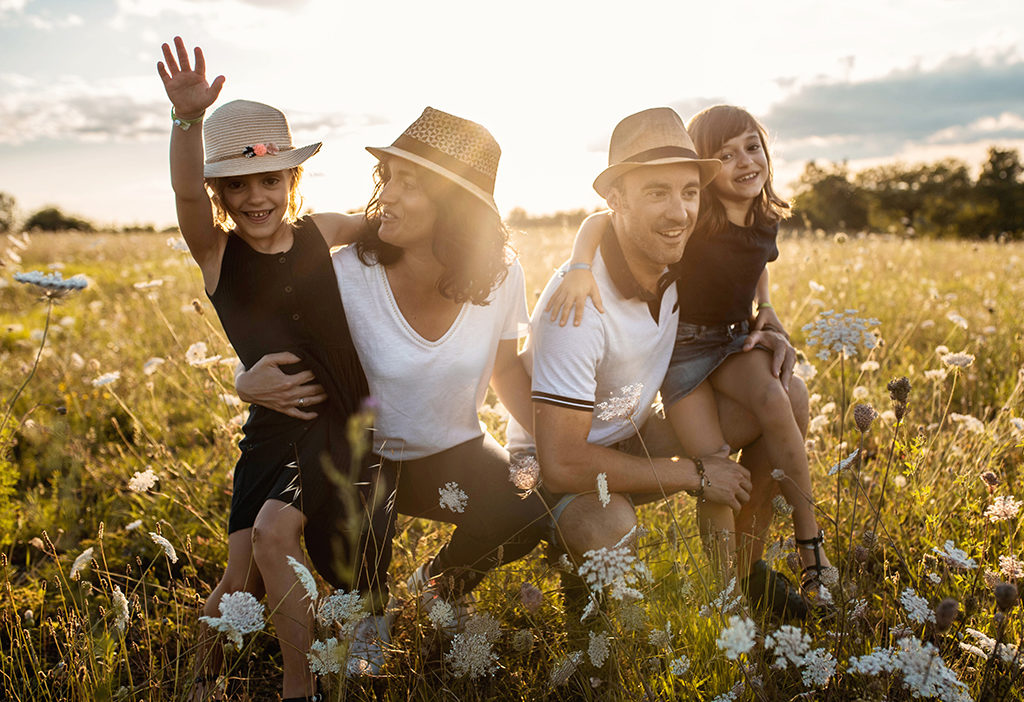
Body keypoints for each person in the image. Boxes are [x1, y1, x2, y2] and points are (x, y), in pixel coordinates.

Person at [237, 106, 549, 674]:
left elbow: (507, 370)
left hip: (450, 451)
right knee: (364, 559)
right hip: (359, 462)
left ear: (455, 207)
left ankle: (437, 589)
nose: (388, 196)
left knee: (529, 507)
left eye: (413, 183)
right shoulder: (344, 270)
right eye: (391, 178)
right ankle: (369, 610)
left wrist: (553, 452)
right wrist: (243, 380)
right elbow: (264, 337)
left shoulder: (501, 271)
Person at [506, 106, 809, 618]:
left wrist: (768, 324)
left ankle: (744, 575)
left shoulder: (680, 257)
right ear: (615, 201)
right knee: (612, 525)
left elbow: (745, 263)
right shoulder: (578, 304)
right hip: (550, 472)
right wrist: (695, 473)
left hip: (634, 433)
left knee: (785, 397)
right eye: (656, 193)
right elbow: (562, 461)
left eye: (689, 192)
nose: (679, 213)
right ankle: (582, 583)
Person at [157, 36, 371, 701]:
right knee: (239, 577)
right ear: (220, 192)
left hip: (330, 421)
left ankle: (297, 685)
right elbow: (186, 195)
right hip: (269, 431)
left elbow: (387, 223)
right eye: (239, 184)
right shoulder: (218, 256)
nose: (257, 197)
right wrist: (187, 122)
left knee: (277, 534)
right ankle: (201, 678)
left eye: (270, 179)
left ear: (292, 181)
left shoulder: (322, 231)